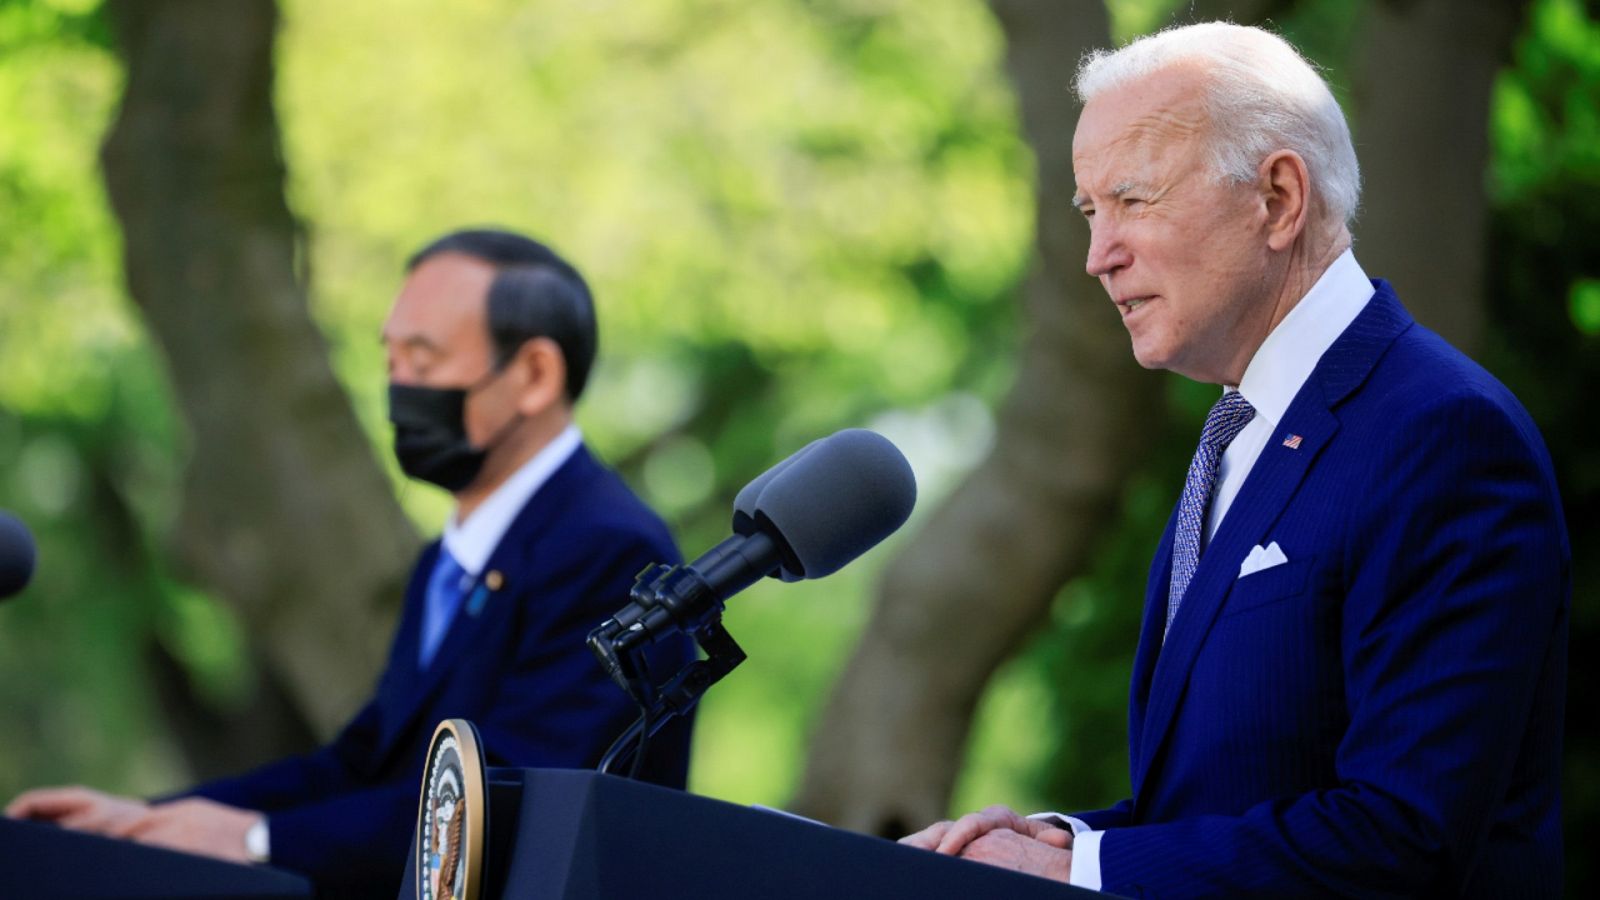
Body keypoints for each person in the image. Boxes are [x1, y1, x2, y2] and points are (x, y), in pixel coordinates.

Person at [901, 23, 1568, 898]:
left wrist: (1091, 870)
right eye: (1090, 211)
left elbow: (1403, 834)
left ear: (1279, 199)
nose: (1099, 255)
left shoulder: (1442, 436)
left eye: (1134, 201)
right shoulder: (1238, 432)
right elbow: (1219, 805)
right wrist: (1058, 848)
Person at [7, 228, 695, 897]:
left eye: (423, 362)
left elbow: (502, 810)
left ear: (536, 374)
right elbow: (363, 763)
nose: (399, 388)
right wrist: (139, 821)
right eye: (391, 360)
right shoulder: (449, 561)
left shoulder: (610, 552)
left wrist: (255, 841)